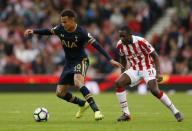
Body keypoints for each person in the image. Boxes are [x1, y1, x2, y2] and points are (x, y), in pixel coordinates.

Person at [24, 9, 122, 121]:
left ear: (72, 20)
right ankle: (82, 104)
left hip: (81, 60)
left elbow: (97, 45)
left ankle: (96, 110)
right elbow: (48, 31)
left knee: (77, 81)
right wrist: (34, 31)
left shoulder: (82, 32)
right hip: (68, 63)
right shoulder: (60, 29)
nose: (63, 24)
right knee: (60, 93)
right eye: (62, 22)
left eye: (65, 22)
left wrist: (110, 59)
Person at [114, 26, 183, 122]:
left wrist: (158, 73)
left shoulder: (141, 41)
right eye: (120, 36)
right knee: (118, 83)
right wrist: (122, 73)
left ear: (130, 35)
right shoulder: (120, 45)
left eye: (123, 36)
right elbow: (123, 59)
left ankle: (176, 111)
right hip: (134, 69)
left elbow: (155, 56)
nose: (121, 38)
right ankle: (126, 114)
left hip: (147, 68)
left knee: (154, 91)